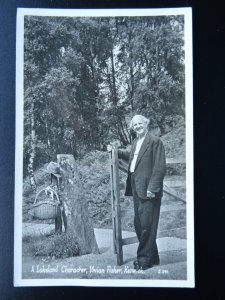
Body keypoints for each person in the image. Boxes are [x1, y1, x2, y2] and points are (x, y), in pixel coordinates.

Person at [107, 115, 166, 270]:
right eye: (135, 125)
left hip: (148, 190)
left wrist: (152, 189)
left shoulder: (155, 141)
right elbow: (131, 156)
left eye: (140, 123)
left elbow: (160, 168)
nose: (138, 126)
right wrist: (116, 151)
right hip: (136, 189)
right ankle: (153, 257)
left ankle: (143, 260)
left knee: (147, 225)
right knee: (139, 225)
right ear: (132, 128)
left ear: (146, 124)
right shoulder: (135, 142)